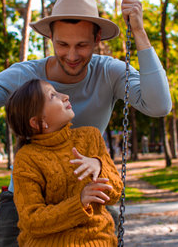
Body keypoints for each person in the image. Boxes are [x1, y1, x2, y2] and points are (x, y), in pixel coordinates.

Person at [0, 0, 171, 245]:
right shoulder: (24, 76)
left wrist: (139, 32)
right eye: (62, 44)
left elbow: (159, 105)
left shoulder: (110, 73)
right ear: (50, 37)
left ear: (97, 39)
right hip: (29, 201)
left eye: (82, 45)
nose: (72, 56)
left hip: (88, 198)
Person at [6, 79, 123, 246]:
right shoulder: (27, 158)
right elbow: (31, 220)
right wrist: (79, 203)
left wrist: (99, 166)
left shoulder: (90, 137)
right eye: (53, 96)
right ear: (38, 121)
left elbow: (115, 193)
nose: (65, 96)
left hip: (96, 240)